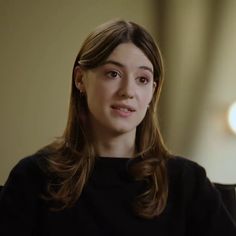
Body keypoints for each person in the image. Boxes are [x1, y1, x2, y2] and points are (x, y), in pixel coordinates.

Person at [0, 19, 235, 236]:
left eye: (142, 79)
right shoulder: (33, 177)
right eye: (113, 74)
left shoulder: (187, 181)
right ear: (80, 79)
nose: (128, 91)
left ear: (152, 91)